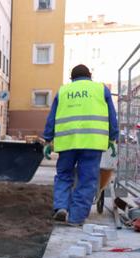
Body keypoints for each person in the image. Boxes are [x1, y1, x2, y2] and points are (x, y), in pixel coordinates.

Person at [42, 64, 119, 226]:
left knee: (63, 175)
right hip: (93, 143)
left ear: (72, 78)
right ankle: (76, 218)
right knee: (87, 180)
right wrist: (112, 138)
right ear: (90, 76)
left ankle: (61, 207)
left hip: (67, 142)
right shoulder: (100, 89)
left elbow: (52, 117)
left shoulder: (63, 90)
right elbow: (112, 115)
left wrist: (47, 140)